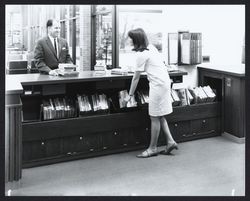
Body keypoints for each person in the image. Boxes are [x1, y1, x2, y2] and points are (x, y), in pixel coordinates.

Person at [124, 28, 178, 158]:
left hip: (157, 86)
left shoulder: (141, 54)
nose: (129, 40)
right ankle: (170, 141)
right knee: (160, 115)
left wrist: (129, 95)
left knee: (154, 117)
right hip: (165, 83)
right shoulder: (151, 48)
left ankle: (152, 148)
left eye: (130, 38)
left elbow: (136, 78)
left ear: (136, 39)